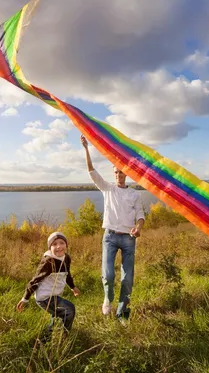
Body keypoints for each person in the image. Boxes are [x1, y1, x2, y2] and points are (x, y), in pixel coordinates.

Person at [80, 134, 145, 322]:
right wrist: (86, 148)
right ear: (113, 174)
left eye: (122, 173)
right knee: (108, 275)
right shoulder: (107, 189)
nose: (119, 175)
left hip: (128, 238)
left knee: (127, 279)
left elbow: (141, 216)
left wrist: (138, 228)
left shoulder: (134, 194)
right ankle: (107, 299)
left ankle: (123, 313)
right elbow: (91, 171)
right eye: (116, 172)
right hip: (109, 237)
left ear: (127, 174)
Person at [16, 231, 80, 342]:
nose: (58, 246)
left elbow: (67, 274)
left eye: (61, 243)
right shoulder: (48, 261)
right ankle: (64, 336)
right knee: (69, 309)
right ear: (50, 247)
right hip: (45, 297)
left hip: (55, 294)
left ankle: (47, 338)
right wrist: (25, 298)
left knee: (57, 316)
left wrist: (73, 287)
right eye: (54, 244)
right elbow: (35, 280)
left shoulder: (66, 259)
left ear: (66, 245)